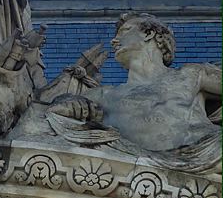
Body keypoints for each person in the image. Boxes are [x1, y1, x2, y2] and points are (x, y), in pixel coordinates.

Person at [47, 13, 221, 174]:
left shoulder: (191, 75)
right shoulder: (104, 95)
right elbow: (51, 113)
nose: (114, 41)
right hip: (132, 170)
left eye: (125, 31)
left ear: (149, 34)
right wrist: (67, 100)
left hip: (207, 154)